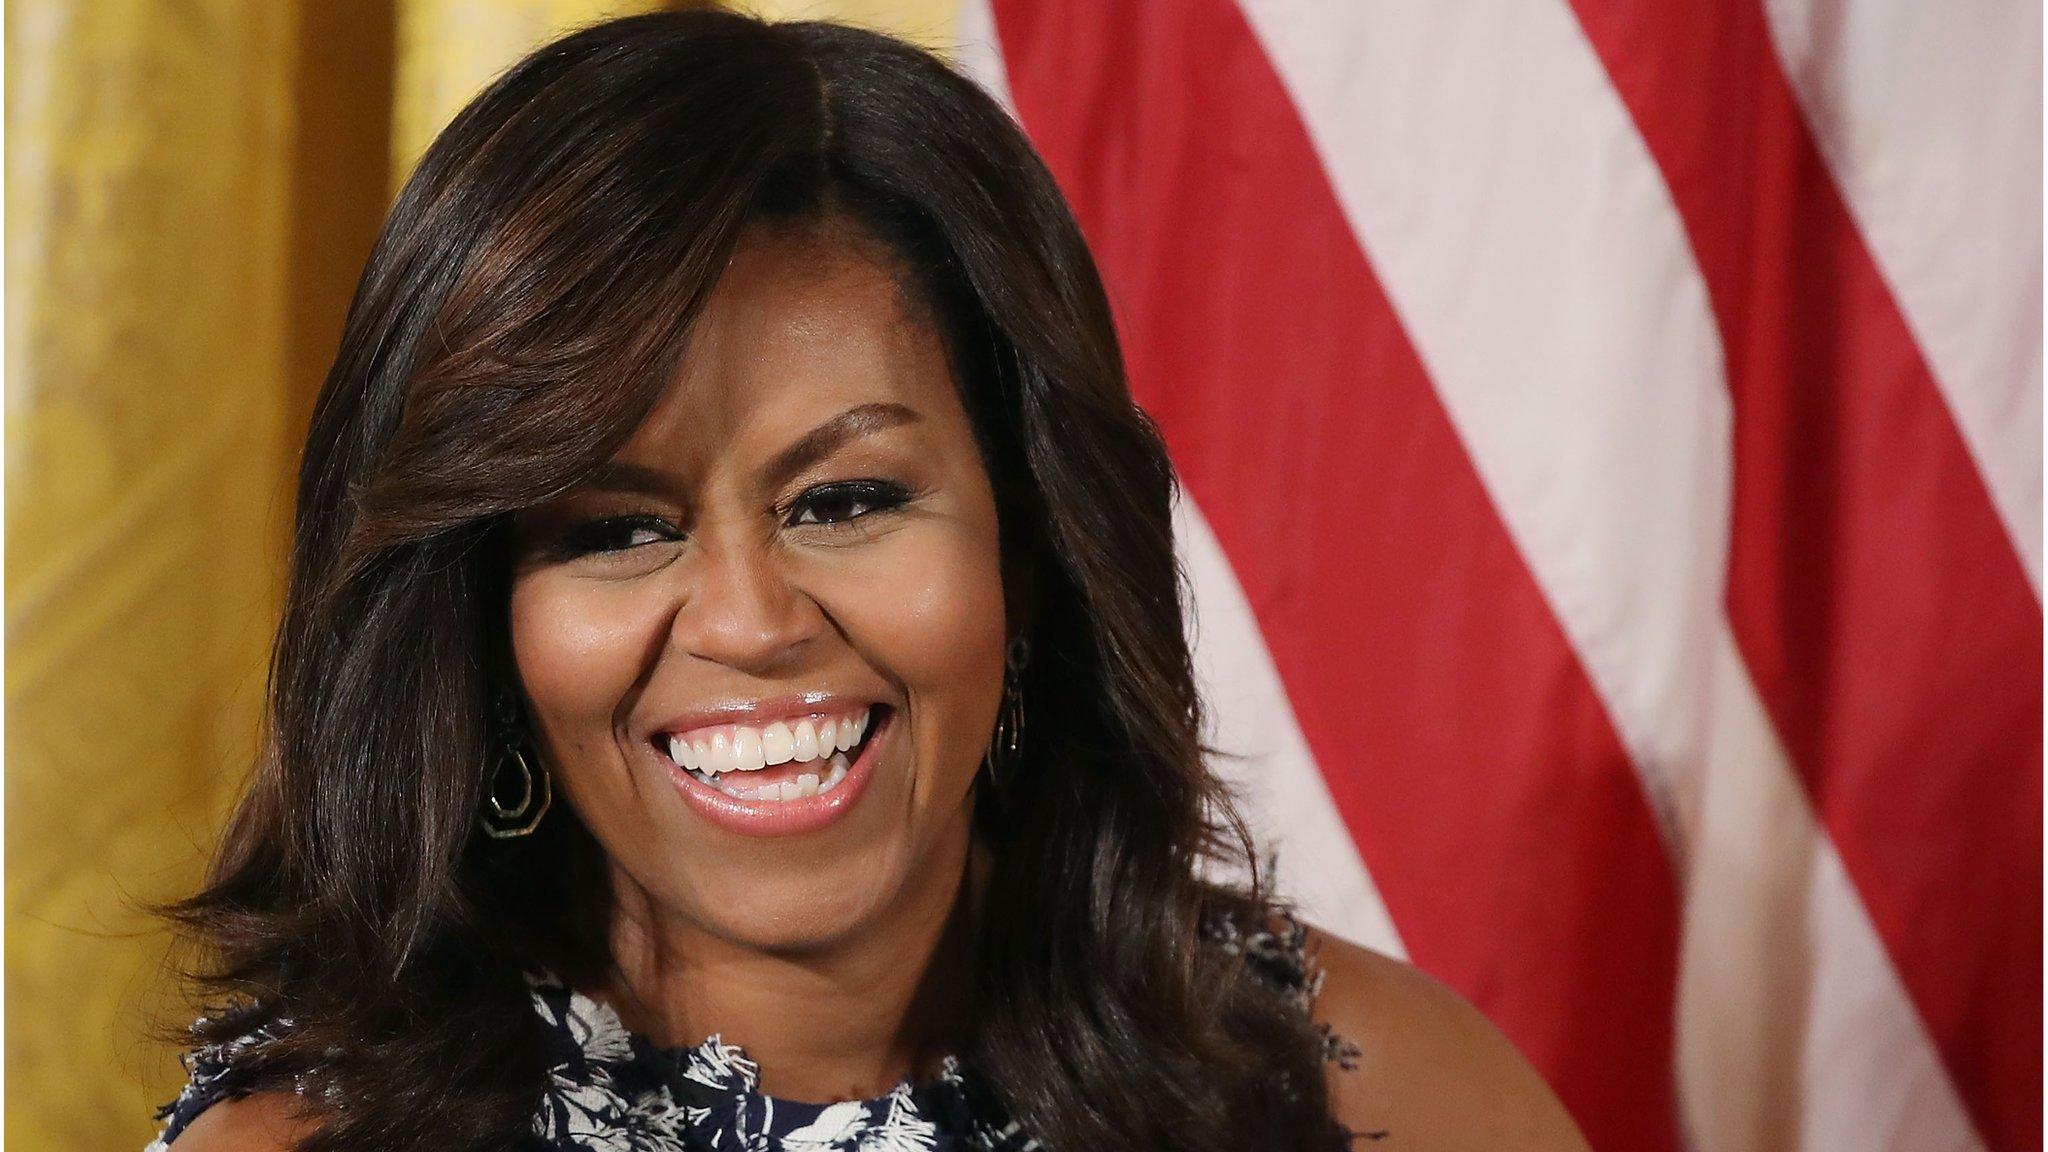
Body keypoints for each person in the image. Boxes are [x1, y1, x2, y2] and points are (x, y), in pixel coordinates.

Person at [144, 10, 1590, 1151]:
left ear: (1031, 548)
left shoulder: (1373, 1100)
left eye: (844, 500)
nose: (749, 621)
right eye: (615, 527)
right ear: (480, 624)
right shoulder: (303, 1145)